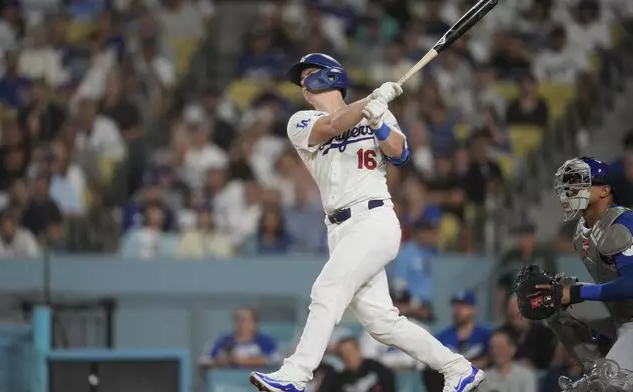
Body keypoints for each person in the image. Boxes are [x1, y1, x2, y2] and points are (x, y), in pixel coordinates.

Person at [249, 53, 484, 392]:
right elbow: (331, 126)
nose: (303, 82)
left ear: (331, 77)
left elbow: (400, 154)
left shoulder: (375, 110)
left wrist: (380, 122)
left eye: (310, 73)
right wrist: (369, 103)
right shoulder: (300, 121)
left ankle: (296, 374)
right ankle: (458, 368)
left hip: (373, 218)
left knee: (326, 290)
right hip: (339, 229)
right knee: (381, 323)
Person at [526, 156, 633, 389]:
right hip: (623, 318)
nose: (570, 189)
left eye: (580, 183)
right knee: (552, 297)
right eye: (568, 184)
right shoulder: (581, 232)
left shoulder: (623, 224)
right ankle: (598, 368)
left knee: (610, 385)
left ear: (604, 190)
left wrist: (576, 292)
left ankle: (610, 379)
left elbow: (631, 285)